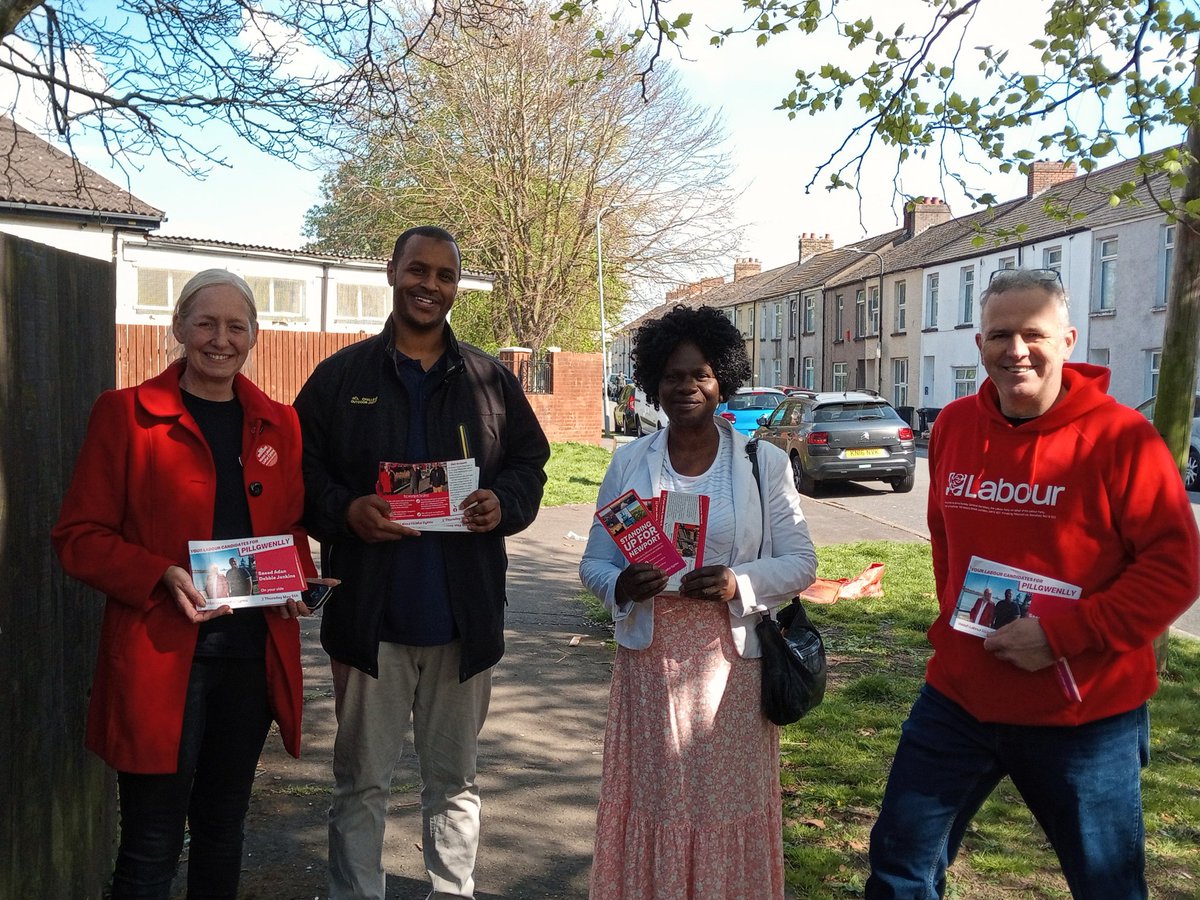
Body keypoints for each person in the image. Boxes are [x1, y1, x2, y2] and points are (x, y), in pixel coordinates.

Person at [866, 268, 1200, 898]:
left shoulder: (1122, 439)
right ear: (979, 345)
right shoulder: (957, 427)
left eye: (1033, 333)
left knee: (1107, 886)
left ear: (1069, 339)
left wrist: (1062, 636)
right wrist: (954, 633)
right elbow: (945, 541)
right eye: (999, 334)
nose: (1015, 350)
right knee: (900, 868)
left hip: (1084, 712)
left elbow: (1175, 569)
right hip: (959, 699)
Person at [295, 225, 550, 900]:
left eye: (443, 275)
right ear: (391, 272)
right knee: (360, 785)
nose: (429, 285)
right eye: (418, 270)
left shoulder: (491, 379)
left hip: (461, 623)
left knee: (455, 784)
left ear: (455, 288)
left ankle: (452, 891)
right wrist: (344, 511)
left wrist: (505, 501)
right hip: (367, 620)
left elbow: (531, 463)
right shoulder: (340, 377)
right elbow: (301, 473)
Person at [51, 269, 314, 900]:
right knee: (151, 842)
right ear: (178, 328)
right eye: (206, 323)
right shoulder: (125, 416)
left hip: (250, 659)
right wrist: (158, 574)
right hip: (160, 662)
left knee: (224, 831)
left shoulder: (281, 424)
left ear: (254, 335)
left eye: (236, 326)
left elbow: (290, 530)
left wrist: (298, 579)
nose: (220, 339)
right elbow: (78, 538)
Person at [579, 304, 818, 899]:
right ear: (653, 382)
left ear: (723, 382)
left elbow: (802, 562)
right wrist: (620, 585)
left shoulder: (762, 463)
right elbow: (593, 563)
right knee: (658, 803)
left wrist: (739, 580)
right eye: (673, 375)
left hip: (731, 666)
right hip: (649, 662)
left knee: (722, 807)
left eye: (702, 374)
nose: (686, 386)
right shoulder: (630, 461)